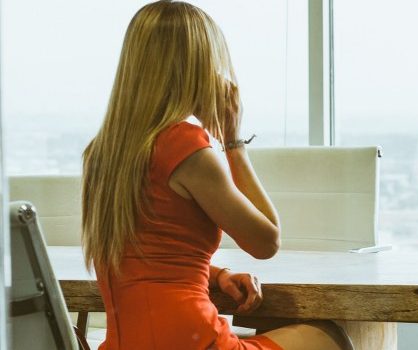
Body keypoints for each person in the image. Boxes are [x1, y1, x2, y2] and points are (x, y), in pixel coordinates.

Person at [81, 1, 353, 349]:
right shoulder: (184, 145)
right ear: (195, 68)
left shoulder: (101, 153)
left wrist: (217, 275)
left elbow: (139, 261)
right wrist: (234, 140)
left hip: (124, 343)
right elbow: (266, 242)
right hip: (190, 340)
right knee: (328, 335)